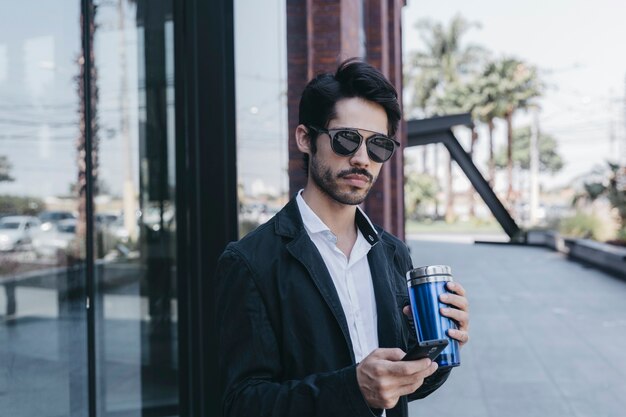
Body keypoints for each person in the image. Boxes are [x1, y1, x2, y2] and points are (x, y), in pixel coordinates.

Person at [215, 59, 470, 417]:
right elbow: (241, 403)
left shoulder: (392, 252)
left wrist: (438, 349)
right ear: (306, 138)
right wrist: (352, 389)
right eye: (347, 139)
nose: (363, 159)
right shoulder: (251, 262)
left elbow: (400, 385)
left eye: (379, 145)